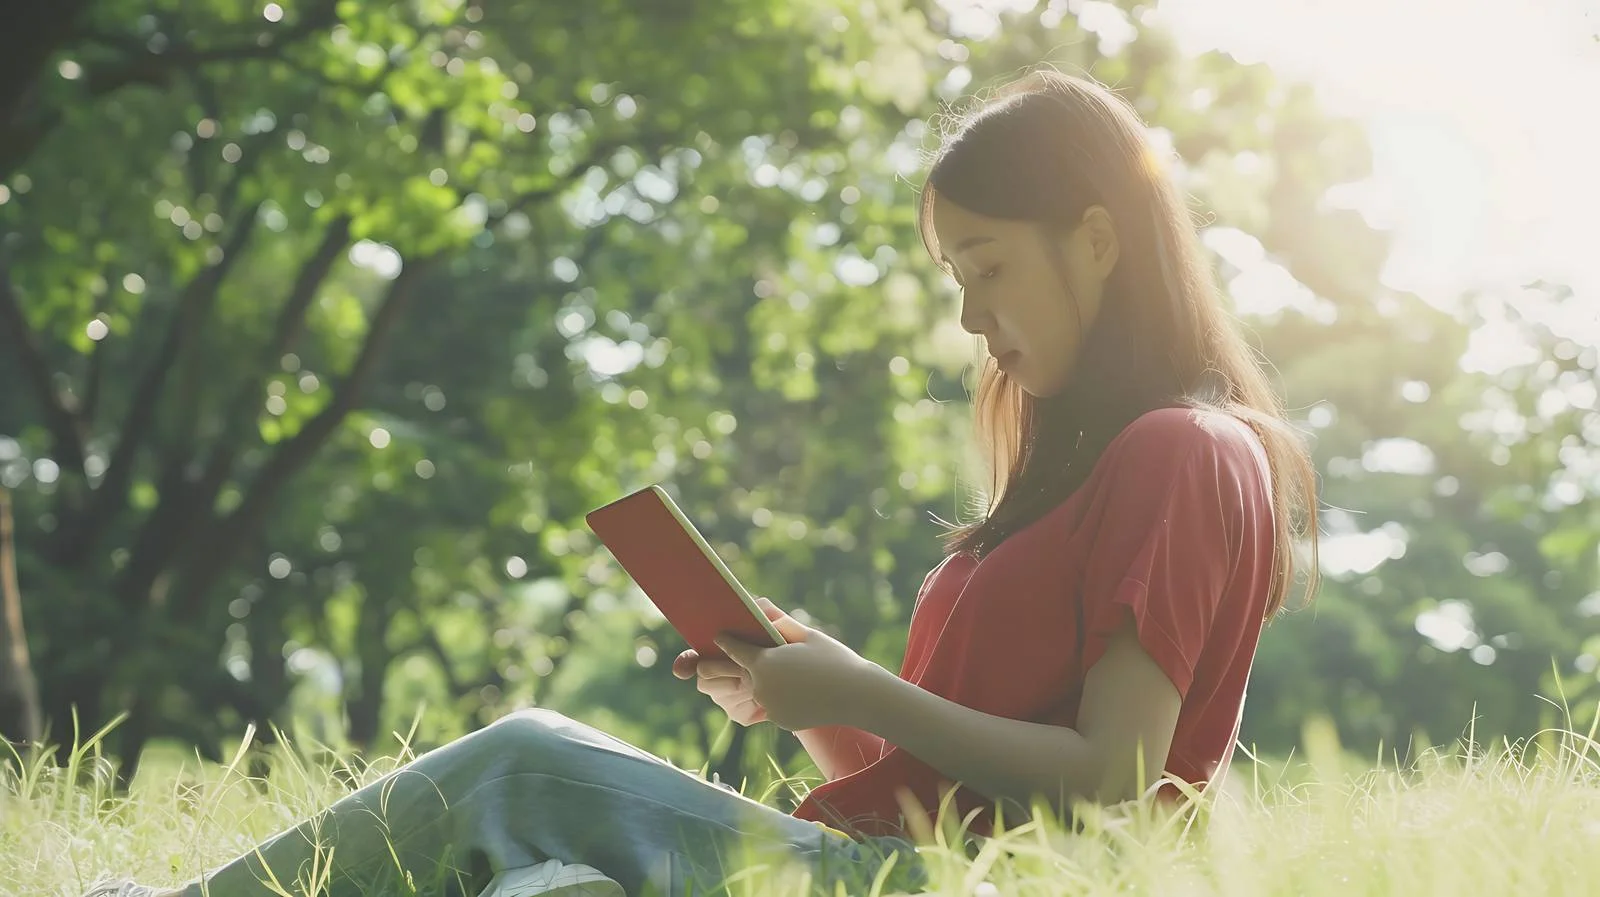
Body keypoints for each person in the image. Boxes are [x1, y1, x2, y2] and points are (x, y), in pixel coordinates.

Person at [87, 67, 1320, 897]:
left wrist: (866, 695)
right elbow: (940, 782)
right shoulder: (1075, 469)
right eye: (954, 272)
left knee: (522, 760)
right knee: (546, 889)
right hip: (892, 860)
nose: (966, 312)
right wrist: (809, 687)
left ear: (1097, 238)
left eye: (986, 265)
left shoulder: (1183, 451)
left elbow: (1117, 780)